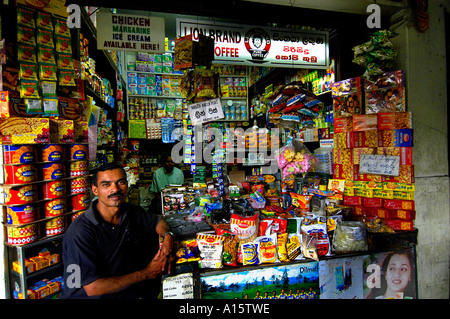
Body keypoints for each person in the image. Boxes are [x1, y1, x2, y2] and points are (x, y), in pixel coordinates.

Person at [61, 163, 175, 299]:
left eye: (120, 182)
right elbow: (93, 287)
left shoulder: (131, 211)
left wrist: (168, 236)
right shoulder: (80, 232)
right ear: (95, 190)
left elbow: (157, 221)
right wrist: (146, 273)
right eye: (106, 185)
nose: (115, 189)